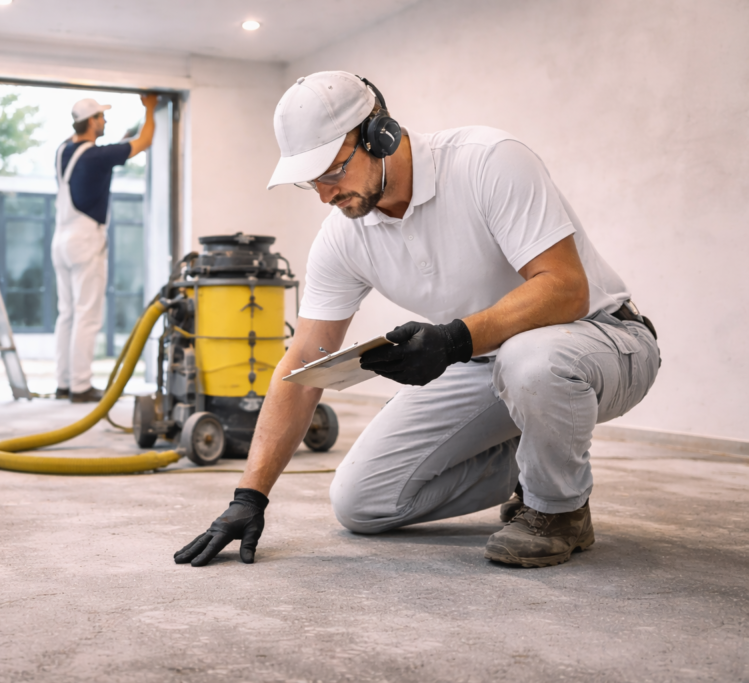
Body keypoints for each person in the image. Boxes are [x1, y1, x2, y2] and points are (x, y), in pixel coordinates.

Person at [174, 71, 660, 568]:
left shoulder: (487, 162)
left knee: (530, 360)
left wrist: (452, 341)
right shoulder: (345, 237)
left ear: (378, 134)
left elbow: (565, 287)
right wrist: (249, 496)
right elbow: (304, 362)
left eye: (333, 171)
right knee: (362, 502)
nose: (324, 194)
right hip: (486, 364)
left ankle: (558, 511)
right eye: (310, 180)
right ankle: (528, 461)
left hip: (602, 341)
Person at [52, 93, 158, 402]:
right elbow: (145, 141)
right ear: (92, 122)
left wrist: (124, 138)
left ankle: (63, 383)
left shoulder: (64, 151)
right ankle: (81, 387)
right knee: (87, 315)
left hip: (61, 240)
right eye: (101, 117)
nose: (105, 121)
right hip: (85, 240)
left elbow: (110, 152)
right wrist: (150, 108)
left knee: (67, 314)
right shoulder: (96, 156)